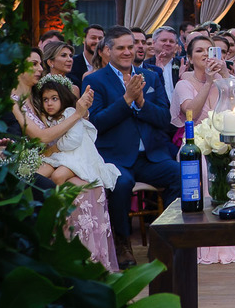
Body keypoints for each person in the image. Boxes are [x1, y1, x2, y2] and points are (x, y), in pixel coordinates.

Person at [82, 26, 180, 270]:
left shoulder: (151, 77)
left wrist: (141, 102)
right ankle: (122, 243)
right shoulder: (95, 80)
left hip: (151, 157)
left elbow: (164, 118)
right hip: (115, 158)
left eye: (130, 47)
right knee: (122, 184)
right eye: (121, 48)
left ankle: (165, 239)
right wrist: (126, 100)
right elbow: (97, 123)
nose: (127, 52)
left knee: (179, 174)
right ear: (107, 50)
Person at [11, 61, 118, 271]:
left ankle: (88, 258)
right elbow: (43, 136)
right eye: (34, 64)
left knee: (75, 181)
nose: (40, 68)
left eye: (54, 99)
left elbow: (69, 132)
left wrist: (81, 112)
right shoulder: (21, 101)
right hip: (45, 156)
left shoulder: (45, 103)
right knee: (53, 179)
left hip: (65, 155)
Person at [170, 35, 235, 264]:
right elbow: (191, 114)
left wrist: (224, 75)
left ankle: (233, 235)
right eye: (199, 51)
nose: (205, 55)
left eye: (209, 50)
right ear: (189, 58)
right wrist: (208, 82)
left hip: (224, 140)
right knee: (204, 171)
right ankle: (207, 240)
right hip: (195, 144)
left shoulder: (223, 80)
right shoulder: (183, 84)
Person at [34, 74, 121, 192]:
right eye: (45, 99)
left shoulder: (70, 113)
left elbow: (73, 139)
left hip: (76, 155)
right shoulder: (49, 118)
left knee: (58, 176)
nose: (49, 103)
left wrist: (55, 148)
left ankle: (60, 201)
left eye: (54, 98)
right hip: (59, 155)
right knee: (38, 173)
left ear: (63, 98)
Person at [69, 24, 105, 89]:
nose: (97, 41)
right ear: (84, 39)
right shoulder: (72, 64)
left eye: (100, 39)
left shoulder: (107, 64)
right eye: (93, 38)